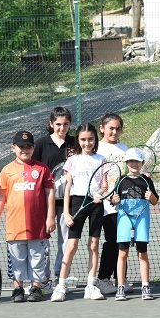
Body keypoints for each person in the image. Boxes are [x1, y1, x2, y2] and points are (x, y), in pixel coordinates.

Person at [0, 131, 55, 303]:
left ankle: (36, 287)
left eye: (28, 146)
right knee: (17, 259)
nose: (24, 150)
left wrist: (50, 217)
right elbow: (1, 196)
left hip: (38, 225)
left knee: (37, 259)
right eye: (21, 146)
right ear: (13, 148)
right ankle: (17, 288)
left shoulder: (42, 169)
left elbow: (49, 193)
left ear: (33, 148)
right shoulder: (7, 170)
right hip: (14, 226)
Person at [51, 123, 106, 302]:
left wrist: (100, 194)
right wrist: (66, 213)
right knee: (71, 246)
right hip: (76, 203)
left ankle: (91, 285)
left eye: (90, 139)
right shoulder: (72, 160)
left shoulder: (101, 159)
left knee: (94, 245)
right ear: (78, 141)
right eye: (83, 139)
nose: (87, 143)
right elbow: (67, 188)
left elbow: (104, 184)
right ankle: (61, 285)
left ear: (95, 139)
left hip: (95, 204)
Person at [32, 106, 75, 287]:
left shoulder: (75, 143)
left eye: (65, 124)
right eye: (58, 124)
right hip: (45, 201)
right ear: (51, 124)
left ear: (70, 125)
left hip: (68, 202)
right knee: (44, 242)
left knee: (66, 241)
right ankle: (44, 278)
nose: (62, 128)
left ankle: (61, 276)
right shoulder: (41, 144)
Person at [111, 148, 159, 301]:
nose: (134, 164)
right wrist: (114, 200)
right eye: (131, 161)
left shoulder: (147, 180)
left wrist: (151, 196)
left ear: (142, 163)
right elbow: (113, 199)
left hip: (142, 219)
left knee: (142, 254)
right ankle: (120, 287)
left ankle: (145, 286)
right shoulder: (121, 180)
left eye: (137, 161)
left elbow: (155, 201)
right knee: (122, 254)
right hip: (124, 218)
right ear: (126, 163)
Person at [96, 113, 128, 295]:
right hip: (106, 205)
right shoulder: (97, 149)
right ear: (102, 128)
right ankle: (103, 279)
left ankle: (121, 279)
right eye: (111, 128)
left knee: (122, 241)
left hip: (123, 205)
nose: (114, 132)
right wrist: (107, 196)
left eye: (118, 128)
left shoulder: (124, 149)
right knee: (112, 241)